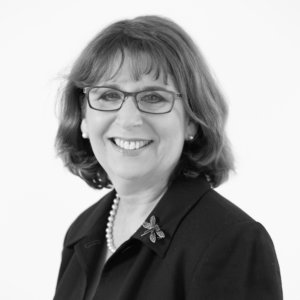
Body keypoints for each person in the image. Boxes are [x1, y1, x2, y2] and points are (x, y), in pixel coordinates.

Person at [53, 15, 283, 300]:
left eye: (153, 98)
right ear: (84, 118)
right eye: (108, 95)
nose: (128, 119)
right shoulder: (82, 234)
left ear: (192, 121)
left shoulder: (231, 240)